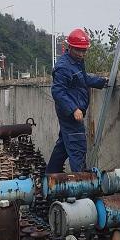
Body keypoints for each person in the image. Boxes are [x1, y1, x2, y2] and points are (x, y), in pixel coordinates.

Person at [45, 28, 108, 173]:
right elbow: (57, 91)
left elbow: (83, 79)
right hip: (70, 115)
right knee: (77, 146)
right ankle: (80, 186)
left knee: (63, 146)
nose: (81, 54)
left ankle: (49, 177)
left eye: (84, 50)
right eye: (78, 50)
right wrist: (74, 108)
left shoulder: (77, 63)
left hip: (74, 113)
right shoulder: (63, 67)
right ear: (70, 47)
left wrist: (102, 82)